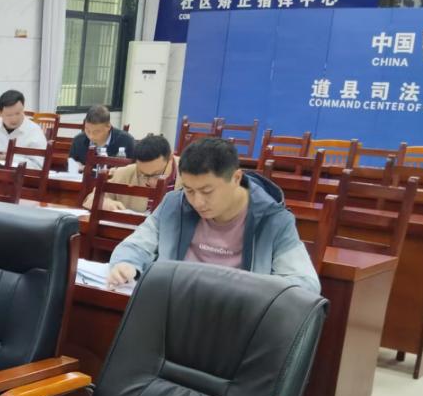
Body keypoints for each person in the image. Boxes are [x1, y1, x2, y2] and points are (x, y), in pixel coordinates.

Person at [106, 137, 320, 293]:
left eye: (207, 191)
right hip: (173, 308)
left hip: (237, 319)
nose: (197, 202)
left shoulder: (273, 220)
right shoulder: (174, 204)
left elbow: (305, 284)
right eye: (189, 190)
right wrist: (127, 264)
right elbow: (136, 245)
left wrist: (248, 290)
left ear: (236, 178)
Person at [82, 135, 182, 212]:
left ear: (170, 158)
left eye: (157, 174)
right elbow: (90, 199)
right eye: (144, 175)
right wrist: (104, 203)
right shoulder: (126, 173)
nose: (150, 182)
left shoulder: (187, 172)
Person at [0, 89, 47, 168]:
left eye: (18, 113)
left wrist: (9, 158)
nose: (14, 119)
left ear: (23, 109)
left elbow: (39, 165)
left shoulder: (34, 131)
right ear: (0, 113)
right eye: (9, 115)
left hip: (22, 175)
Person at [69, 105, 135, 164]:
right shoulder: (78, 140)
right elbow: (71, 163)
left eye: (96, 132)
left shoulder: (126, 141)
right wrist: (76, 166)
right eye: (87, 130)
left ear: (108, 127)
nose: (91, 136)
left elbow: (135, 167)